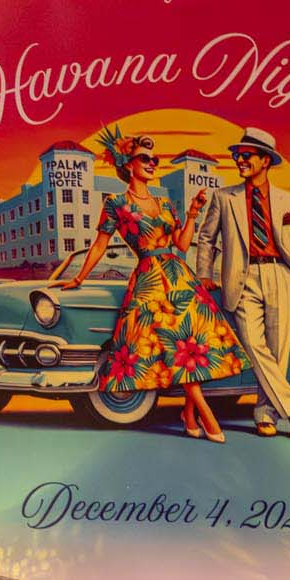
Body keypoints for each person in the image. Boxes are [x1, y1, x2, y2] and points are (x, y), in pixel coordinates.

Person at [69, 128, 243, 443]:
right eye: (145, 159)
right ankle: (206, 414)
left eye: (155, 160)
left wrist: (192, 214)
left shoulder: (164, 203)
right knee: (176, 345)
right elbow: (100, 245)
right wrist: (79, 277)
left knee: (196, 344)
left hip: (180, 277)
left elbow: (182, 244)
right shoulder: (116, 202)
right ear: (128, 164)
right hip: (150, 280)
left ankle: (188, 414)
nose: (152, 163)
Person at [195, 127, 290, 440]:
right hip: (242, 278)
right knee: (253, 345)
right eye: (237, 155)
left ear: (266, 161)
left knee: (277, 352)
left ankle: (266, 415)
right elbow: (206, 238)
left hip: (281, 276)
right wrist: (204, 274)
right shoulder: (224, 198)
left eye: (247, 155)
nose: (240, 160)